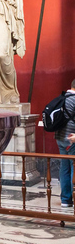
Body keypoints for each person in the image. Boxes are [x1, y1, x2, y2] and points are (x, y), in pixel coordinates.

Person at [55, 80, 75, 208]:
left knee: (64, 168)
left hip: (60, 138)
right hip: (72, 139)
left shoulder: (60, 98)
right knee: (74, 168)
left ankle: (65, 200)